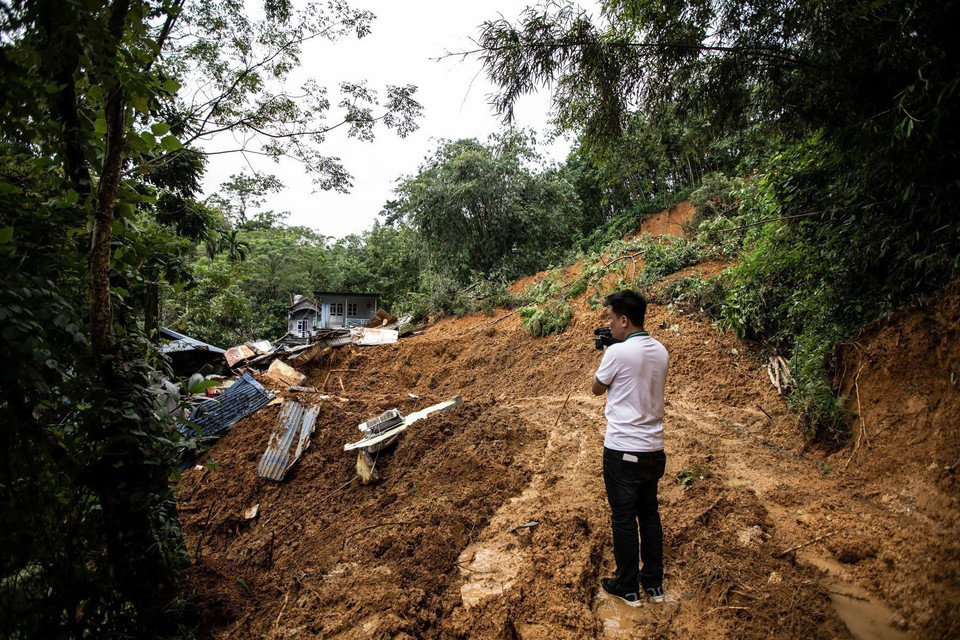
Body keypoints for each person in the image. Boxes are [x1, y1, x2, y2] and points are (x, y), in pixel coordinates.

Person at [591, 290, 669, 605]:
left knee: (623, 517)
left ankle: (627, 586)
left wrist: (609, 351)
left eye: (611, 319)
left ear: (624, 320)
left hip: (622, 449)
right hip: (654, 449)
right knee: (649, 513)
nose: (609, 325)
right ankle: (653, 583)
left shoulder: (617, 354)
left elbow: (597, 388)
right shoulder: (661, 350)